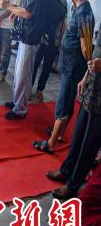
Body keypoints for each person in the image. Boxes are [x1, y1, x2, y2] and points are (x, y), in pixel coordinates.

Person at [34, 0, 93, 153]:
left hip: (73, 66)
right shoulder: (77, 7)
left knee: (63, 103)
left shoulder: (84, 12)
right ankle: (58, 134)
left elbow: (86, 49)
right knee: (66, 101)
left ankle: (51, 144)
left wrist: (87, 73)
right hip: (68, 64)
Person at [46, 29, 101, 199]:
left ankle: (73, 185)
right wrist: (85, 77)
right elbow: (96, 53)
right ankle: (66, 171)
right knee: (78, 136)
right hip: (92, 89)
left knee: (89, 144)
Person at [2, 0, 48, 120]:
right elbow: (27, 7)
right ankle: (17, 101)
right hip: (27, 33)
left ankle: (20, 109)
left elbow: (28, 13)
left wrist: (9, 7)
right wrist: (15, 11)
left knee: (23, 73)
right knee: (20, 71)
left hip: (32, 35)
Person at [31, 0, 70, 102]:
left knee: (47, 67)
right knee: (35, 64)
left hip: (55, 40)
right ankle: (29, 87)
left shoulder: (63, 1)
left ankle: (40, 89)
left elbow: (63, 22)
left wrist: (61, 40)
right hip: (42, 38)